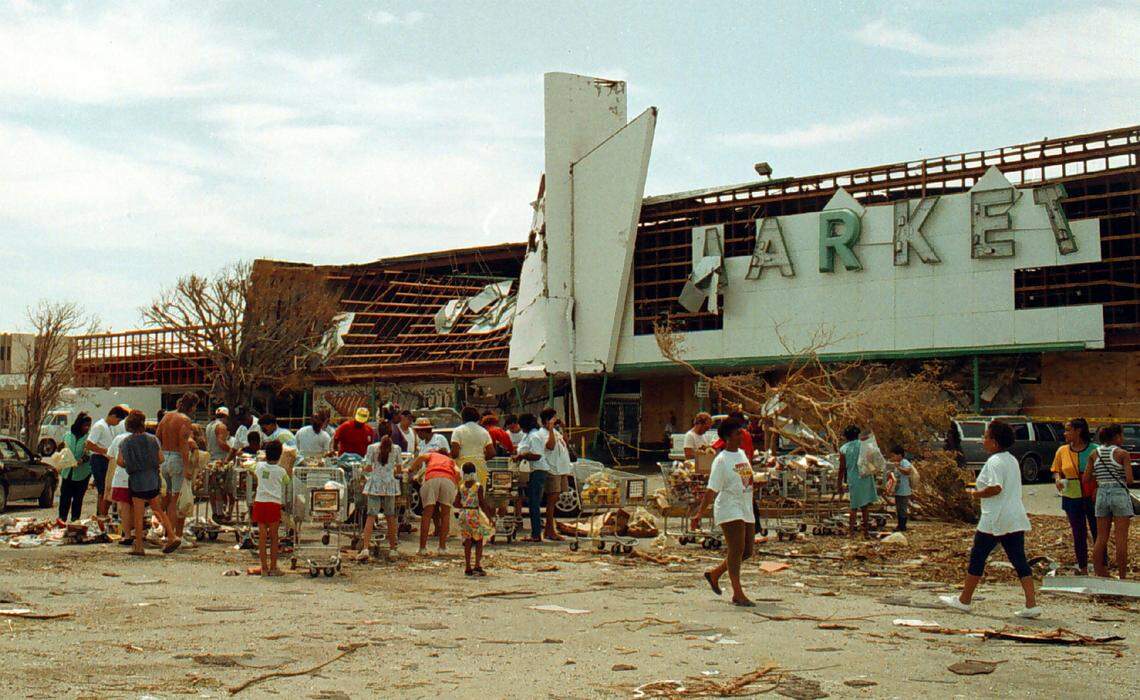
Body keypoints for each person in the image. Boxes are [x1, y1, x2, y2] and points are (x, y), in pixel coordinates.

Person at [940, 420, 1039, 618]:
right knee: (1019, 559)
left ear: (994, 442)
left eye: (985, 437)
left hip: (995, 518)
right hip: (1013, 516)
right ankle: (1031, 604)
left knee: (978, 556)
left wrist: (974, 494)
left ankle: (964, 600)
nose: (982, 440)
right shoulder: (1011, 459)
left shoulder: (994, 462)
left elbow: (995, 488)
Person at [699, 417, 756, 607]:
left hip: (745, 505)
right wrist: (699, 514)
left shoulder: (741, 454)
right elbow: (711, 490)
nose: (742, 435)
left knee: (746, 551)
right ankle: (737, 593)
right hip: (729, 507)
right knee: (736, 549)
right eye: (738, 432)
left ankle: (715, 574)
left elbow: (746, 478)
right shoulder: (721, 460)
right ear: (728, 437)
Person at [118, 410, 181, 556]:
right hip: (152, 479)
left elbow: (120, 461)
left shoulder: (125, 442)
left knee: (139, 514)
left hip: (136, 481)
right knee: (158, 509)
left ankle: (139, 545)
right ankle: (172, 536)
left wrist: (132, 465)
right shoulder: (153, 439)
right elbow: (161, 459)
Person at [1085, 424, 1134, 579]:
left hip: (1101, 493)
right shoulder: (1122, 453)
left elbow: (1086, 478)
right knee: (1121, 538)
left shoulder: (1094, 453)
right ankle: (1122, 576)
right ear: (1117, 436)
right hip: (1119, 493)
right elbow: (1130, 479)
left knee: (1101, 537)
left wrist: (1101, 477)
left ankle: (1100, 572)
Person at [1051, 418, 1099, 574]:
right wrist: (1058, 479)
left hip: (1091, 495)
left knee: (1097, 531)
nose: (1065, 434)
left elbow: (1101, 472)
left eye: (1068, 430)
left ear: (1078, 431)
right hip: (1071, 496)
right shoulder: (1062, 451)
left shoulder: (1094, 450)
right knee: (1078, 533)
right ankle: (1083, 567)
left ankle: (1101, 565)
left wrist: (1097, 488)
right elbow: (1057, 469)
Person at [155, 392, 199, 541]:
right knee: (175, 499)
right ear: (192, 406)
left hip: (164, 457)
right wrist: (187, 467)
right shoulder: (185, 420)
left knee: (166, 498)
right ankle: (172, 536)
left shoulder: (167, 416)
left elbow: (157, 435)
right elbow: (183, 445)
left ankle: (164, 531)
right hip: (177, 458)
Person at [408, 445, 459, 554]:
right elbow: (458, 473)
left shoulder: (432, 454)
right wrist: (455, 484)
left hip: (432, 477)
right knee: (445, 515)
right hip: (448, 480)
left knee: (427, 514)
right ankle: (442, 548)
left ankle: (422, 548)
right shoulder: (451, 460)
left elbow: (421, 457)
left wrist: (411, 469)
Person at [359, 435, 402, 562]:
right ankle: (393, 549)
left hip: (375, 484)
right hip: (389, 485)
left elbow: (368, 467)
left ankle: (365, 548)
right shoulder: (396, 449)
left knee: (371, 516)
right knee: (390, 517)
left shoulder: (371, 448)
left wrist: (363, 471)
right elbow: (399, 469)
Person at [252, 440, 289, 576]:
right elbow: (287, 481)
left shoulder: (259, 466)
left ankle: (263, 567)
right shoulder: (281, 471)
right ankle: (273, 567)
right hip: (274, 503)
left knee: (262, 537)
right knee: (274, 537)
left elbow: (251, 469)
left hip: (260, 502)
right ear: (280, 455)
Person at [86, 405, 130, 520]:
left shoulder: (109, 427)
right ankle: (101, 515)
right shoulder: (99, 426)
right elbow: (89, 444)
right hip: (99, 460)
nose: (118, 423)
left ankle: (103, 514)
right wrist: (104, 451)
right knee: (102, 490)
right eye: (118, 420)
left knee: (108, 489)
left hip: (107, 459)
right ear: (113, 416)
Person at [536, 408, 571, 541]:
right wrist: (550, 428)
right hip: (552, 469)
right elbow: (550, 446)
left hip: (561, 469)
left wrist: (563, 428)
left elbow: (565, 443)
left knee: (555, 500)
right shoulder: (543, 433)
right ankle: (549, 530)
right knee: (551, 501)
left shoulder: (556, 432)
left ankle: (550, 529)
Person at [516, 413, 551, 543]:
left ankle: (536, 534)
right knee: (532, 502)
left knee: (534, 503)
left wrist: (522, 456)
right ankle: (535, 532)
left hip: (538, 471)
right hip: (532, 471)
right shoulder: (527, 435)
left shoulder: (534, 436)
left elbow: (537, 455)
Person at [455, 462, 494, 576]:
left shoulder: (461, 486)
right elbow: (482, 502)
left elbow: (456, 503)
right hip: (475, 514)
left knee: (467, 541)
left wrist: (464, 506)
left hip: (464, 514)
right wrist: (489, 517)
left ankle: (468, 567)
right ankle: (477, 565)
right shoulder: (478, 486)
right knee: (479, 540)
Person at [838, 425, 878, 537]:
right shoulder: (865, 446)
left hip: (853, 478)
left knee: (854, 506)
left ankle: (851, 532)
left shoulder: (844, 448)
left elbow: (842, 468)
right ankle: (866, 532)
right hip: (865, 477)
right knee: (865, 506)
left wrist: (839, 484)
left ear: (846, 436)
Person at [58, 412, 93, 523]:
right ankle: (62, 519)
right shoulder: (68, 435)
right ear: (79, 424)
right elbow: (62, 448)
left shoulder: (89, 437)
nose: (87, 428)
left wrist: (81, 460)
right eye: (85, 425)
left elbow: (90, 453)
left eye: (88, 426)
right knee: (65, 498)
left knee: (78, 499)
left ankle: (75, 521)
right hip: (67, 471)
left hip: (82, 473)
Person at [451, 406, 495, 485]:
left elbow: (454, 454)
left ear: (463, 418)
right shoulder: (484, 431)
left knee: (462, 494)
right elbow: (492, 453)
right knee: (479, 493)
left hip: (463, 468)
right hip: (480, 468)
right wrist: (481, 458)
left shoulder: (458, 431)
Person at [106, 430, 134, 546]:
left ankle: (127, 534)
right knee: (137, 505)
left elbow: (111, 457)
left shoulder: (119, 438)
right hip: (138, 476)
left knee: (123, 507)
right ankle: (135, 531)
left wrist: (107, 483)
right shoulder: (144, 438)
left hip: (121, 477)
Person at [885, 445, 913, 532]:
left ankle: (903, 525)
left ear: (900, 455)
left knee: (903, 508)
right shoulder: (894, 464)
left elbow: (908, 471)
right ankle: (899, 524)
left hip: (904, 490)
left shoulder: (905, 462)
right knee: (899, 508)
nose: (892, 458)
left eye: (894, 456)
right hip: (898, 490)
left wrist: (898, 467)